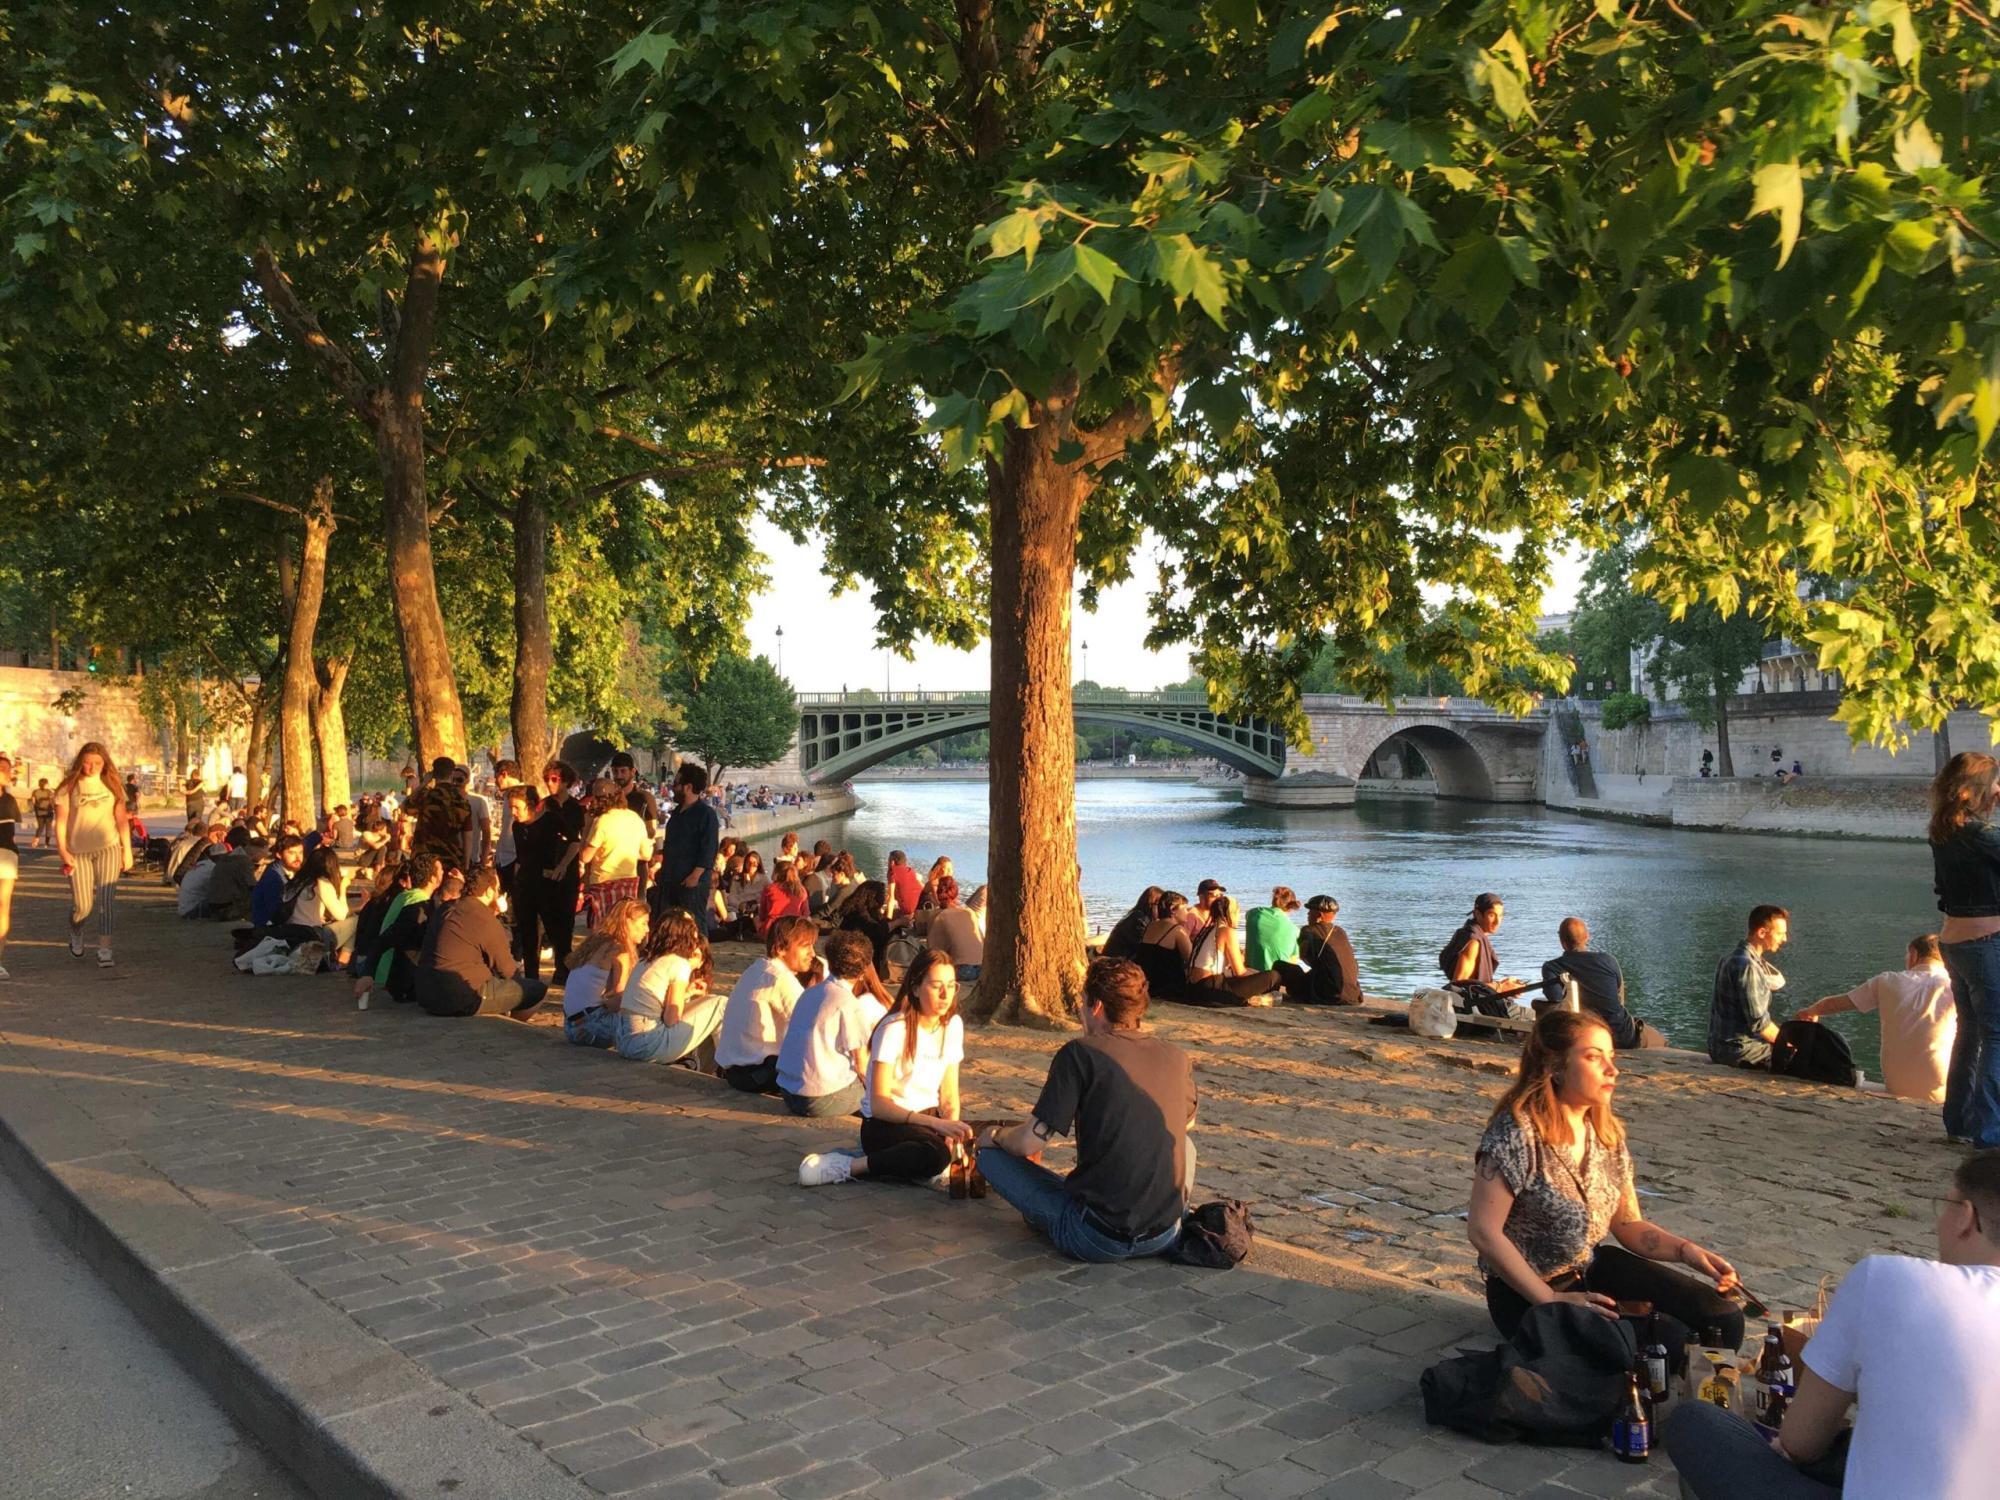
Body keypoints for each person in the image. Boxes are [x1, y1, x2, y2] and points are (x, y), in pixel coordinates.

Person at [1662, 1150, 2000, 1500]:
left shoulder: (1889, 1279)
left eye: (1944, 1206)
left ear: (1965, 1217)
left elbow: (1799, 1442)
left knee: (1699, 1423)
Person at [1468, 1009, 1744, 1353]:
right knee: (1668, 1344)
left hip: (1591, 1267)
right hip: (1525, 1292)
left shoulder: (1605, 1132)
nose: (1612, 1070)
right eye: (1593, 1057)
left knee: (1723, 1320)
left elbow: (1628, 1224)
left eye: (1611, 1057)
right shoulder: (1517, 1134)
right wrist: (1551, 1299)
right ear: (1554, 1065)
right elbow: (1483, 1231)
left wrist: (1688, 1252)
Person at [975, 957, 1196, 1263]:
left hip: (1098, 1237)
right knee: (1185, 1145)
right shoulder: (1175, 1055)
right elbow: (1187, 1122)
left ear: (1096, 1007)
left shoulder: (1080, 1053)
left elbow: (1030, 1142)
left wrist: (996, 1135)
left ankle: (1052, 1212)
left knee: (990, 1158)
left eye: (1081, 1002)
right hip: (1164, 1234)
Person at [800, 948, 973, 1187]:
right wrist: (936, 1127)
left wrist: (950, 1131)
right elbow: (880, 1104)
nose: (945, 994)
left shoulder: (953, 1025)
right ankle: (850, 1166)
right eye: (936, 986)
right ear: (915, 988)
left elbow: (949, 1095)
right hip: (887, 1123)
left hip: (929, 1120)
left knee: (976, 1141)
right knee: (934, 1155)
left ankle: (912, 1164)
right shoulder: (894, 1028)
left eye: (952, 985)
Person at [1929, 751, 2000, 1148]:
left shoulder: (1943, 829)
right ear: (1976, 789)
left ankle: (1959, 1119)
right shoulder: (1979, 835)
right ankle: (1991, 1134)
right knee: (1996, 1035)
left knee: (1969, 1032)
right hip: (1985, 942)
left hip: (1954, 942)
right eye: (1994, 782)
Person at [1793, 936, 1957, 1104]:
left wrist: (1810, 1011)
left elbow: (1837, 1003)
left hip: (1897, 1083)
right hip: (1942, 1083)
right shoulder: (1955, 986)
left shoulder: (1887, 980)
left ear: (1913, 954)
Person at [775, 932, 886, 1117]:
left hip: (788, 1091)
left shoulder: (809, 994)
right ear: (863, 969)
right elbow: (861, 1064)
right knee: (883, 1088)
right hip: (819, 1099)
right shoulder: (849, 1002)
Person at [414, 869, 549, 1019]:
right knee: (536, 990)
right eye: (497, 889)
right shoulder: (483, 917)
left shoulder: (447, 907)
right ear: (489, 891)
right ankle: (510, 1027)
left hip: (426, 993)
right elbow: (507, 970)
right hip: (460, 996)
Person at [717, 915, 820, 1092]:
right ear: (781, 949)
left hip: (736, 1071)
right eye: (805, 946)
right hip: (758, 1074)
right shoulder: (779, 978)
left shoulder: (758, 968)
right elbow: (812, 1026)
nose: (813, 954)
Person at [51, 742, 132, 967]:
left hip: (108, 847)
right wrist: (62, 850)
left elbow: (122, 819)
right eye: (87, 763)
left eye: (96, 763)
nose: (91, 767)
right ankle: (76, 930)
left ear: (104, 763)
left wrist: (127, 851)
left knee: (106, 902)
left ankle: (105, 949)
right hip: (78, 852)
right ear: (80, 762)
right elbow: (61, 822)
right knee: (83, 905)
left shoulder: (112, 784)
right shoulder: (69, 787)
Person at [616, 908, 725, 1067]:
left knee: (709, 1007)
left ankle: (709, 1067)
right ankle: (728, 1065)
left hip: (625, 1042)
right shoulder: (678, 963)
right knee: (720, 1004)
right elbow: (671, 1019)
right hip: (647, 1044)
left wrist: (687, 992)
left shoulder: (645, 960)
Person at [355, 854, 443, 1009]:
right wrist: (368, 973)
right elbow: (385, 940)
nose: (444, 873)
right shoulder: (417, 906)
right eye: (441, 870)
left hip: (388, 973)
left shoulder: (404, 896)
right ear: (432, 879)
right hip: (402, 981)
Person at [1540, 918, 1644, 1049]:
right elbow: (1620, 999)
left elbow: (1555, 998)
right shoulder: (1609, 961)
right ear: (1587, 937)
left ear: (1562, 942)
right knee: (1657, 1039)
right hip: (1622, 1035)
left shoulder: (1552, 967)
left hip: (1584, 1037)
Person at [558, 900, 650, 1048]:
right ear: (627, 922)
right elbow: (619, 1001)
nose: (647, 930)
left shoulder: (596, 942)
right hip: (591, 1027)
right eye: (644, 923)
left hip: (571, 1026)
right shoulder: (620, 950)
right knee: (649, 1025)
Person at [1707, 904, 1790, 1069]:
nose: (1784, 939)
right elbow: (1760, 1024)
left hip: (1719, 1047)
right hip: (1740, 1051)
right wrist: (1791, 1045)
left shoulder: (1730, 958)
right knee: (1806, 1059)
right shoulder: (1748, 966)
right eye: (1780, 934)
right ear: (1761, 933)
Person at [530, 761, 587, 981]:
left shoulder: (575, 807)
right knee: (549, 918)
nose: (550, 784)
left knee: (567, 919)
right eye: (547, 779)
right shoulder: (543, 805)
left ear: (564, 781)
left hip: (568, 868)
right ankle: (560, 962)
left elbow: (576, 840)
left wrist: (564, 865)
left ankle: (563, 967)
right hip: (546, 866)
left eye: (554, 779)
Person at [654, 763, 721, 936]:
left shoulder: (706, 814)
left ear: (688, 787)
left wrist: (695, 875)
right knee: (670, 923)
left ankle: (701, 958)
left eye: (676, 784)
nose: (673, 787)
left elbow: (709, 848)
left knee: (694, 922)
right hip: (671, 877)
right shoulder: (676, 813)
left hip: (692, 880)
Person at [578, 777, 651, 929]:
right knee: (624, 929)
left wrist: (586, 827)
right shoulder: (634, 818)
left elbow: (585, 856)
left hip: (603, 884)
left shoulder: (602, 821)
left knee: (602, 933)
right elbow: (646, 854)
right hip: (629, 883)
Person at [1183, 894, 1280, 1006]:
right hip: (1210, 987)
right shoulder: (1227, 931)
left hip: (1193, 987)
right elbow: (1240, 972)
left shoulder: (1208, 929)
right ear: (1231, 913)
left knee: (1253, 974)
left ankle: (1253, 998)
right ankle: (1254, 999)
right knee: (1274, 977)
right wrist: (1256, 973)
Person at [1274, 894, 1363, 1006]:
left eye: (1310, 911)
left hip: (1326, 994)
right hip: (1352, 995)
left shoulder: (1308, 931)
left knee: (1279, 965)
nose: (1307, 914)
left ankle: (1272, 995)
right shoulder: (1340, 931)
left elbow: (1306, 960)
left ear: (1318, 915)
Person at [288, 844, 358, 963]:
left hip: (291, 934)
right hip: (311, 937)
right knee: (355, 920)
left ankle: (340, 958)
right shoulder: (322, 883)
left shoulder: (297, 881)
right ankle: (343, 959)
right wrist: (343, 888)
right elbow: (341, 914)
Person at [405, 756, 471, 864]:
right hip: (451, 858)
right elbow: (467, 836)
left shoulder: (425, 796)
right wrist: (466, 864)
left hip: (424, 858)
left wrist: (423, 784)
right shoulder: (462, 801)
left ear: (433, 774)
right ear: (452, 774)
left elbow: (406, 807)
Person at [1134, 891, 1195, 1003]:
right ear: (1172, 909)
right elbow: (1192, 960)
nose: (1188, 912)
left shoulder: (1150, 925)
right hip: (1168, 988)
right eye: (1185, 909)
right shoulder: (1177, 930)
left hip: (1148, 984)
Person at [1442, 893, 1511, 988]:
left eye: (1500, 915)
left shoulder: (1466, 933)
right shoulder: (1474, 942)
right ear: (1477, 914)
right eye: (1491, 915)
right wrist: (1501, 987)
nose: (1497, 921)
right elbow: (1458, 985)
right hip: (1469, 1001)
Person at [928, 879, 984, 980]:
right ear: (956, 893)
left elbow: (934, 951)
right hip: (982, 967)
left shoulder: (939, 916)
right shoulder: (969, 913)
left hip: (963, 970)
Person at [837, 880, 894, 977]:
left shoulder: (857, 911)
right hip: (858, 963)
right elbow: (878, 931)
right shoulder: (860, 916)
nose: (885, 897)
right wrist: (898, 922)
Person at [251, 834, 306, 929]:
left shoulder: (290, 869)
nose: (298, 857)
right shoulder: (274, 878)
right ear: (279, 855)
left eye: (300, 853)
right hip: (270, 928)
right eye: (291, 853)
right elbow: (277, 914)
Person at [1243, 887, 1302, 972]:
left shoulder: (1254, 914)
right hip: (1277, 977)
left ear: (1273, 900)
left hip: (1251, 972)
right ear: (1291, 907)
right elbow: (1293, 960)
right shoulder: (1295, 931)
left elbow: (1248, 914)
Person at [1102, 887, 1164, 960]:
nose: (1162, 909)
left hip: (1115, 959)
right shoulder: (1139, 920)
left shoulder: (1136, 914)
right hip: (1115, 964)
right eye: (1160, 905)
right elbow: (1146, 948)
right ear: (1151, 904)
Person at [757, 858, 811, 938]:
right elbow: (805, 913)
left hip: (772, 930)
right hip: (793, 930)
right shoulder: (801, 890)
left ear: (777, 873)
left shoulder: (770, 889)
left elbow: (762, 915)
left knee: (755, 918)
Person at [0, 752, 18, 979]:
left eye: (7, 769)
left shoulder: (9, 800)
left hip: (6, 854)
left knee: (3, 906)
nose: (5, 773)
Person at [885, 850, 922, 922]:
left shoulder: (892, 872)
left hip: (908, 911)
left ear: (892, 862)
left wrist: (887, 920)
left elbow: (891, 899)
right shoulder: (910, 870)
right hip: (919, 907)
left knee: (886, 915)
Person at [30, 778, 54, 848]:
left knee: (40, 827)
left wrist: (36, 809)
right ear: (46, 784)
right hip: (48, 812)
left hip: (39, 812)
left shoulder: (35, 791)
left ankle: (35, 842)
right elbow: (52, 801)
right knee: (48, 827)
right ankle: (46, 844)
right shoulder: (49, 792)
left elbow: (33, 802)